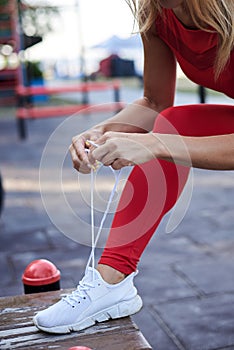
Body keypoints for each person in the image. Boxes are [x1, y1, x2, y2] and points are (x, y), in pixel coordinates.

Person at [34, 0, 234, 334]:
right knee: (173, 122)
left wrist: (154, 144)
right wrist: (100, 131)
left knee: (167, 134)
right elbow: (155, 101)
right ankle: (112, 282)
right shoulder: (157, 14)